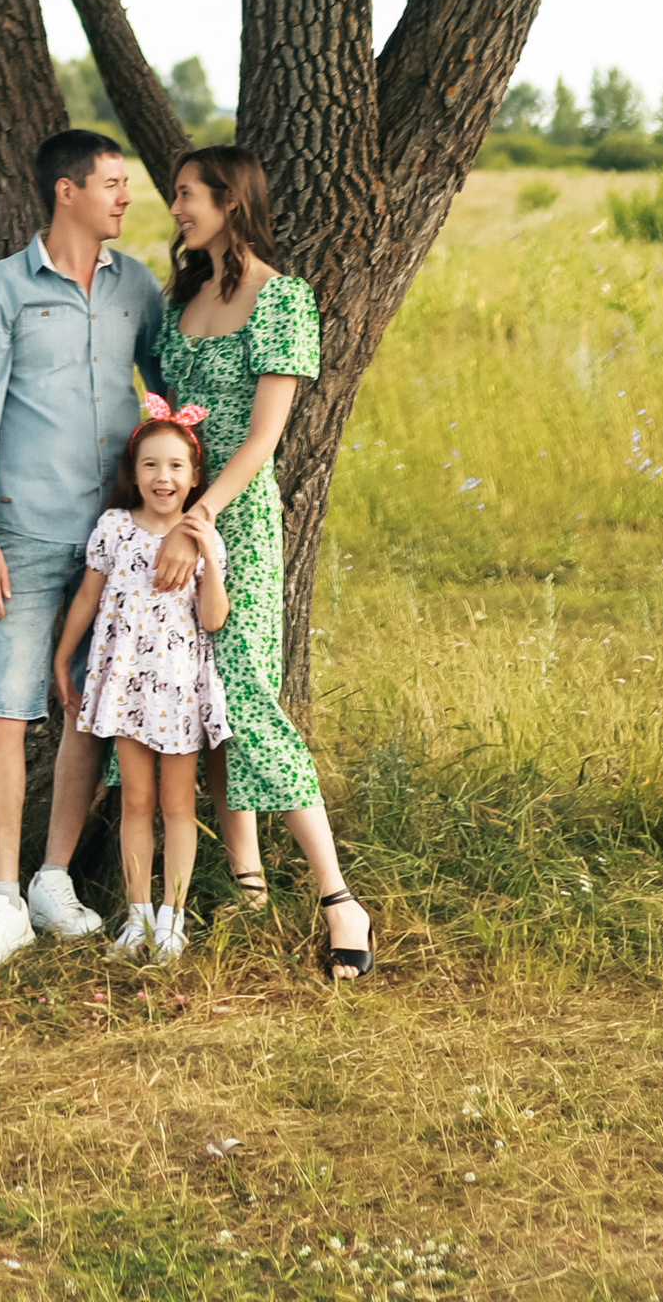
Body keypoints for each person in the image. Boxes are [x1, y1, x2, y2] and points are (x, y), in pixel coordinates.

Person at [0, 124, 170, 975]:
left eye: (126, 184)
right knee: (5, 707)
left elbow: (169, 396)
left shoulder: (137, 288)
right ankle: (0, 902)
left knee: (89, 707)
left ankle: (52, 879)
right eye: (112, 183)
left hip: (116, 544)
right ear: (66, 192)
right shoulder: (0, 291)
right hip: (25, 534)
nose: (125, 196)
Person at [156, 143, 372, 977]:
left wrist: (202, 518)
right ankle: (247, 891)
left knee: (245, 695)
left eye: (187, 195)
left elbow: (264, 437)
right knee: (194, 694)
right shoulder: (182, 297)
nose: (175, 208)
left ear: (230, 200)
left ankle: (340, 901)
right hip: (169, 523)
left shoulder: (280, 298)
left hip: (233, 526)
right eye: (174, 196)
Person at [52, 394, 231, 959]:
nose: (163, 477)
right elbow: (88, 595)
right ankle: (137, 918)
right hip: (128, 686)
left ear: (194, 476)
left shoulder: (201, 535)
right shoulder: (113, 528)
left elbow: (213, 619)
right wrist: (63, 657)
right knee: (136, 800)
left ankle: (173, 920)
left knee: (178, 805)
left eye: (176, 466)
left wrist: (211, 559)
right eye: (151, 464)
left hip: (178, 690)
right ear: (134, 473)